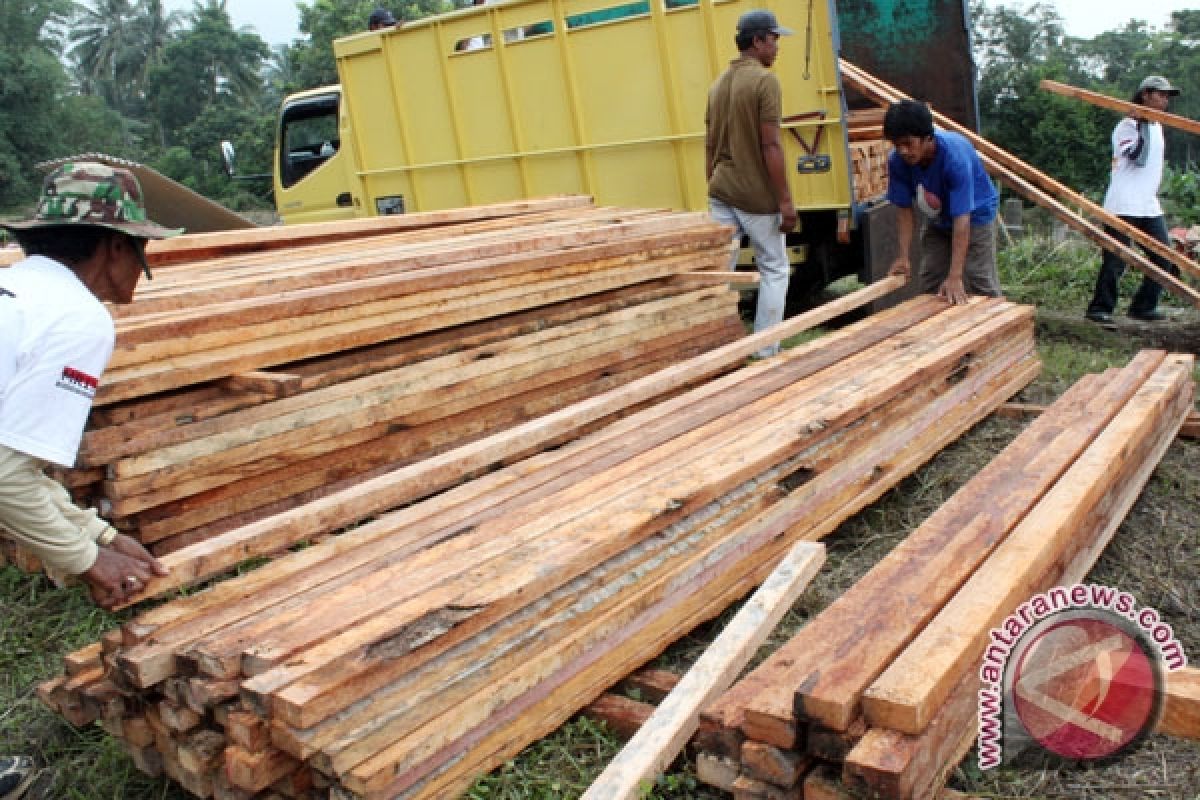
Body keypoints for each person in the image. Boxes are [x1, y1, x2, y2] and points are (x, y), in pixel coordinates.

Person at [0, 162, 174, 614]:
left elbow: (12, 465)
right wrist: (90, 561)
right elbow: (5, 477)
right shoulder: (76, 317)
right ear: (117, 246)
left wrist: (102, 534)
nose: (144, 268)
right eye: (143, 250)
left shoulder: (16, 288)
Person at [705, 9, 797, 358]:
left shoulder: (718, 84)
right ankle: (765, 351)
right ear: (757, 41)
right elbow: (770, 144)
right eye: (774, 40)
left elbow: (709, 145)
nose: (777, 47)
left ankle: (713, 348)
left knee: (720, 274)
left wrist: (711, 182)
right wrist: (785, 201)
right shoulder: (764, 81)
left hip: (721, 191)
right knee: (774, 267)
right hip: (755, 196)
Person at [1085, 75, 1182, 326]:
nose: (1164, 100)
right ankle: (1100, 308)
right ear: (1145, 95)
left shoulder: (1158, 126)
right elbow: (1137, 156)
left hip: (1147, 204)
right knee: (1116, 258)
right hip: (1123, 203)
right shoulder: (1126, 126)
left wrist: (1149, 122)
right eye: (1160, 95)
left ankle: (1143, 306)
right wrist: (1140, 121)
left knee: (1164, 258)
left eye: (1167, 96)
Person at [883, 99, 1001, 304]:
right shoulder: (897, 162)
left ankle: (1000, 327)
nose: (902, 151)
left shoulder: (954, 158)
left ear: (927, 137)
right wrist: (903, 256)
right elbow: (904, 210)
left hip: (975, 215)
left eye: (908, 143)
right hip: (938, 217)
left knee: (978, 277)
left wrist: (955, 276)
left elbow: (962, 221)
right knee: (931, 276)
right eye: (897, 144)